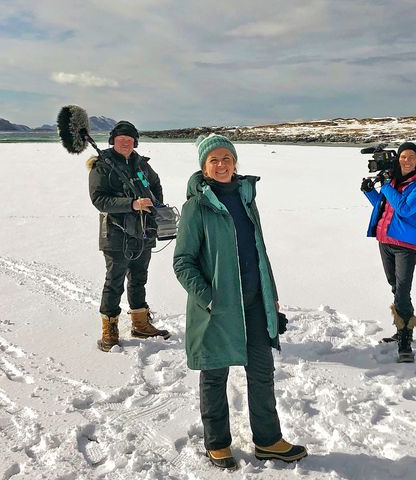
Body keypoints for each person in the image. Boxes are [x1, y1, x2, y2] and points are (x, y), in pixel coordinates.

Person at [173, 133, 307, 470]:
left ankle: (268, 440)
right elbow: (182, 261)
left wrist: (271, 295)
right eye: (213, 160)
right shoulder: (196, 207)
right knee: (215, 375)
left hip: (254, 302)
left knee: (262, 372)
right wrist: (209, 298)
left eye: (226, 159)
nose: (221, 165)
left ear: (235, 163)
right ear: (204, 168)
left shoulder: (247, 200)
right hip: (217, 308)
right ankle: (217, 443)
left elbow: (259, 252)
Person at [87, 120, 170, 352]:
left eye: (130, 140)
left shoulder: (141, 164)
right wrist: (132, 204)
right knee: (114, 281)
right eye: (121, 139)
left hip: (144, 230)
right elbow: (99, 199)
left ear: (135, 142)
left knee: (139, 277)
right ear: (113, 141)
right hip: (116, 232)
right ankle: (109, 329)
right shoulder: (102, 165)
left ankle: (140, 323)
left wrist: (156, 205)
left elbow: (155, 184)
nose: (125, 143)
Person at [361, 141, 416, 361]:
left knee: (402, 291)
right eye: (403, 156)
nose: (407, 160)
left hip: (405, 245)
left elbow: (404, 209)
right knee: (395, 287)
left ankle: (405, 340)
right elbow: (385, 206)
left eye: (411, 157)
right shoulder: (393, 181)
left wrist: (385, 186)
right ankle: (401, 328)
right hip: (385, 241)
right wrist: (369, 193)